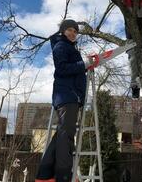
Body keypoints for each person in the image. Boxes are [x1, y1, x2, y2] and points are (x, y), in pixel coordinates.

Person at [35, 19, 95, 182]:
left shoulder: (69, 47)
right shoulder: (61, 46)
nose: (73, 33)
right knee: (66, 135)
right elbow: (62, 68)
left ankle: (45, 175)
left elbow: (75, 69)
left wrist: (85, 64)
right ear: (62, 31)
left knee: (63, 133)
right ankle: (63, 176)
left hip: (70, 96)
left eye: (75, 32)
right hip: (66, 95)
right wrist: (83, 64)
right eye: (69, 30)